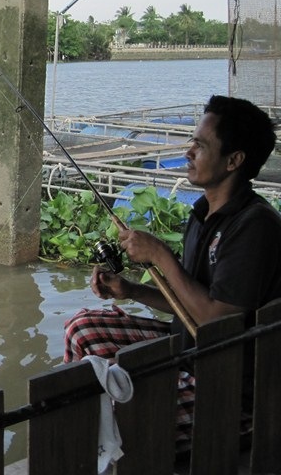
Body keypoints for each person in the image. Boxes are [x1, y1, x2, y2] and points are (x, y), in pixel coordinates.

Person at [64, 94, 281, 441]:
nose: (188, 152)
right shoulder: (202, 214)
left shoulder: (255, 226)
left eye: (200, 145)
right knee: (83, 329)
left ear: (234, 160)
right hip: (188, 351)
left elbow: (218, 320)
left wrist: (161, 255)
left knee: (107, 415)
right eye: (191, 142)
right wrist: (131, 290)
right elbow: (189, 305)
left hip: (226, 386)